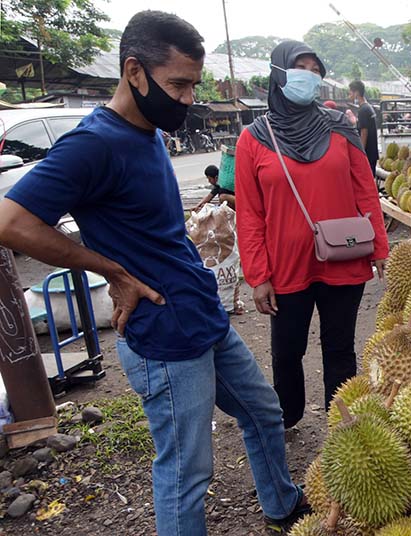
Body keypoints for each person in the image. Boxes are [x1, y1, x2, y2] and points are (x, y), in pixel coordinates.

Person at [0, 11, 310, 535]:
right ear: (134, 73)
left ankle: (283, 505)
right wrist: (112, 271)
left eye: (194, 84)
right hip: (162, 336)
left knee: (264, 413)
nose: (189, 98)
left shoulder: (147, 133)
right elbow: (12, 221)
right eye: (179, 84)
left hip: (201, 317)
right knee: (188, 470)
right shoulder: (93, 143)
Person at [236, 41, 389, 431]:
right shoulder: (253, 139)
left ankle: (344, 425)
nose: (310, 75)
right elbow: (250, 214)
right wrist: (258, 275)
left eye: (315, 69)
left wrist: (379, 246)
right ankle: (287, 417)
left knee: (339, 348)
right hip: (286, 266)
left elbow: (365, 190)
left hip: (345, 256)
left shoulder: (341, 126)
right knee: (287, 350)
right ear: (279, 73)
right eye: (300, 67)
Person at [348, 80, 379, 177]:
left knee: (367, 180)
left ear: (356, 93)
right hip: (373, 152)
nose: (349, 96)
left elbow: (364, 132)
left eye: (350, 93)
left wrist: (362, 153)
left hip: (368, 154)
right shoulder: (369, 107)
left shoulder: (363, 110)